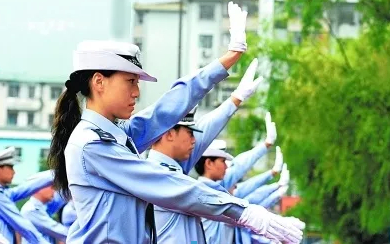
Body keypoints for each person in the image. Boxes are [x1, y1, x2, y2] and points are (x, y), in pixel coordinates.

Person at [48, 2, 304, 243]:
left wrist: (226, 61)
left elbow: (165, 111)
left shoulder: (116, 135)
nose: (136, 92)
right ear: (99, 82)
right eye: (130, 82)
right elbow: (167, 184)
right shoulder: (92, 144)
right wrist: (244, 212)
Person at [149, 57, 261, 244]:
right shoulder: (155, 174)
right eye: (189, 133)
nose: (194, 140)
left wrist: (236, 98)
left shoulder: (175, 168)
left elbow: (207, 129)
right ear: (169, 134)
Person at [195, 140, 287, 244]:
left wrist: (275, 184)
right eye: (222, 161)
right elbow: (241, 170)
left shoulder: (217, 191)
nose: (225, 167)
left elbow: (253, 194)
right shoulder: (208, 190)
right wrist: (265, 146)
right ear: (209, 163)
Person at [0, 147, 53, 244]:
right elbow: (22, 225)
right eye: (10, 167)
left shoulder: (5, 193)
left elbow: (28, 187)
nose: (14, 172)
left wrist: (57, 173)